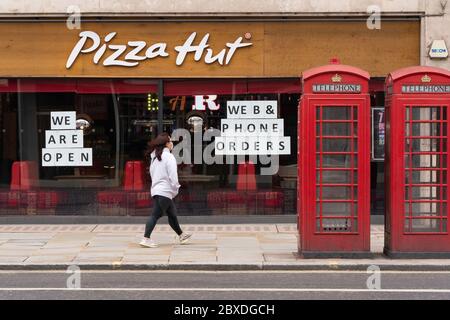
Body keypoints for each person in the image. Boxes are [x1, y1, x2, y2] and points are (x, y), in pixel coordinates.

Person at [140, 132, 192, 248]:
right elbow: (173, 175)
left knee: (172, 214)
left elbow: (152, 174)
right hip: (165, 191)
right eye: (170, 141)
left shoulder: (154, 157)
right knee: (155, 215)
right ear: (166, 144)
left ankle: (181, 235)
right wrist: (176, 187)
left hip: (157, 190)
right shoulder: (169, 157)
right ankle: (146, 238)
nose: (172, 143)